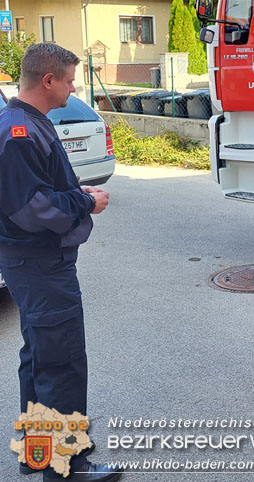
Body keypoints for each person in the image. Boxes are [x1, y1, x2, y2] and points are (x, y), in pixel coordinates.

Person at [0, 44, 122, 482]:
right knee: (61, 364)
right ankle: (65, 467)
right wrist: (85, 201)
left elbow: (35, 192)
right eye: (70, 80)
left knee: (39, 358)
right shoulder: (20, 132)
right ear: (48, 81)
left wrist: (76, 195)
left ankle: (37, 455)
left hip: (30, 265)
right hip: (40, 266)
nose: (74, 88)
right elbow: (31, 208)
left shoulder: (27, 123)